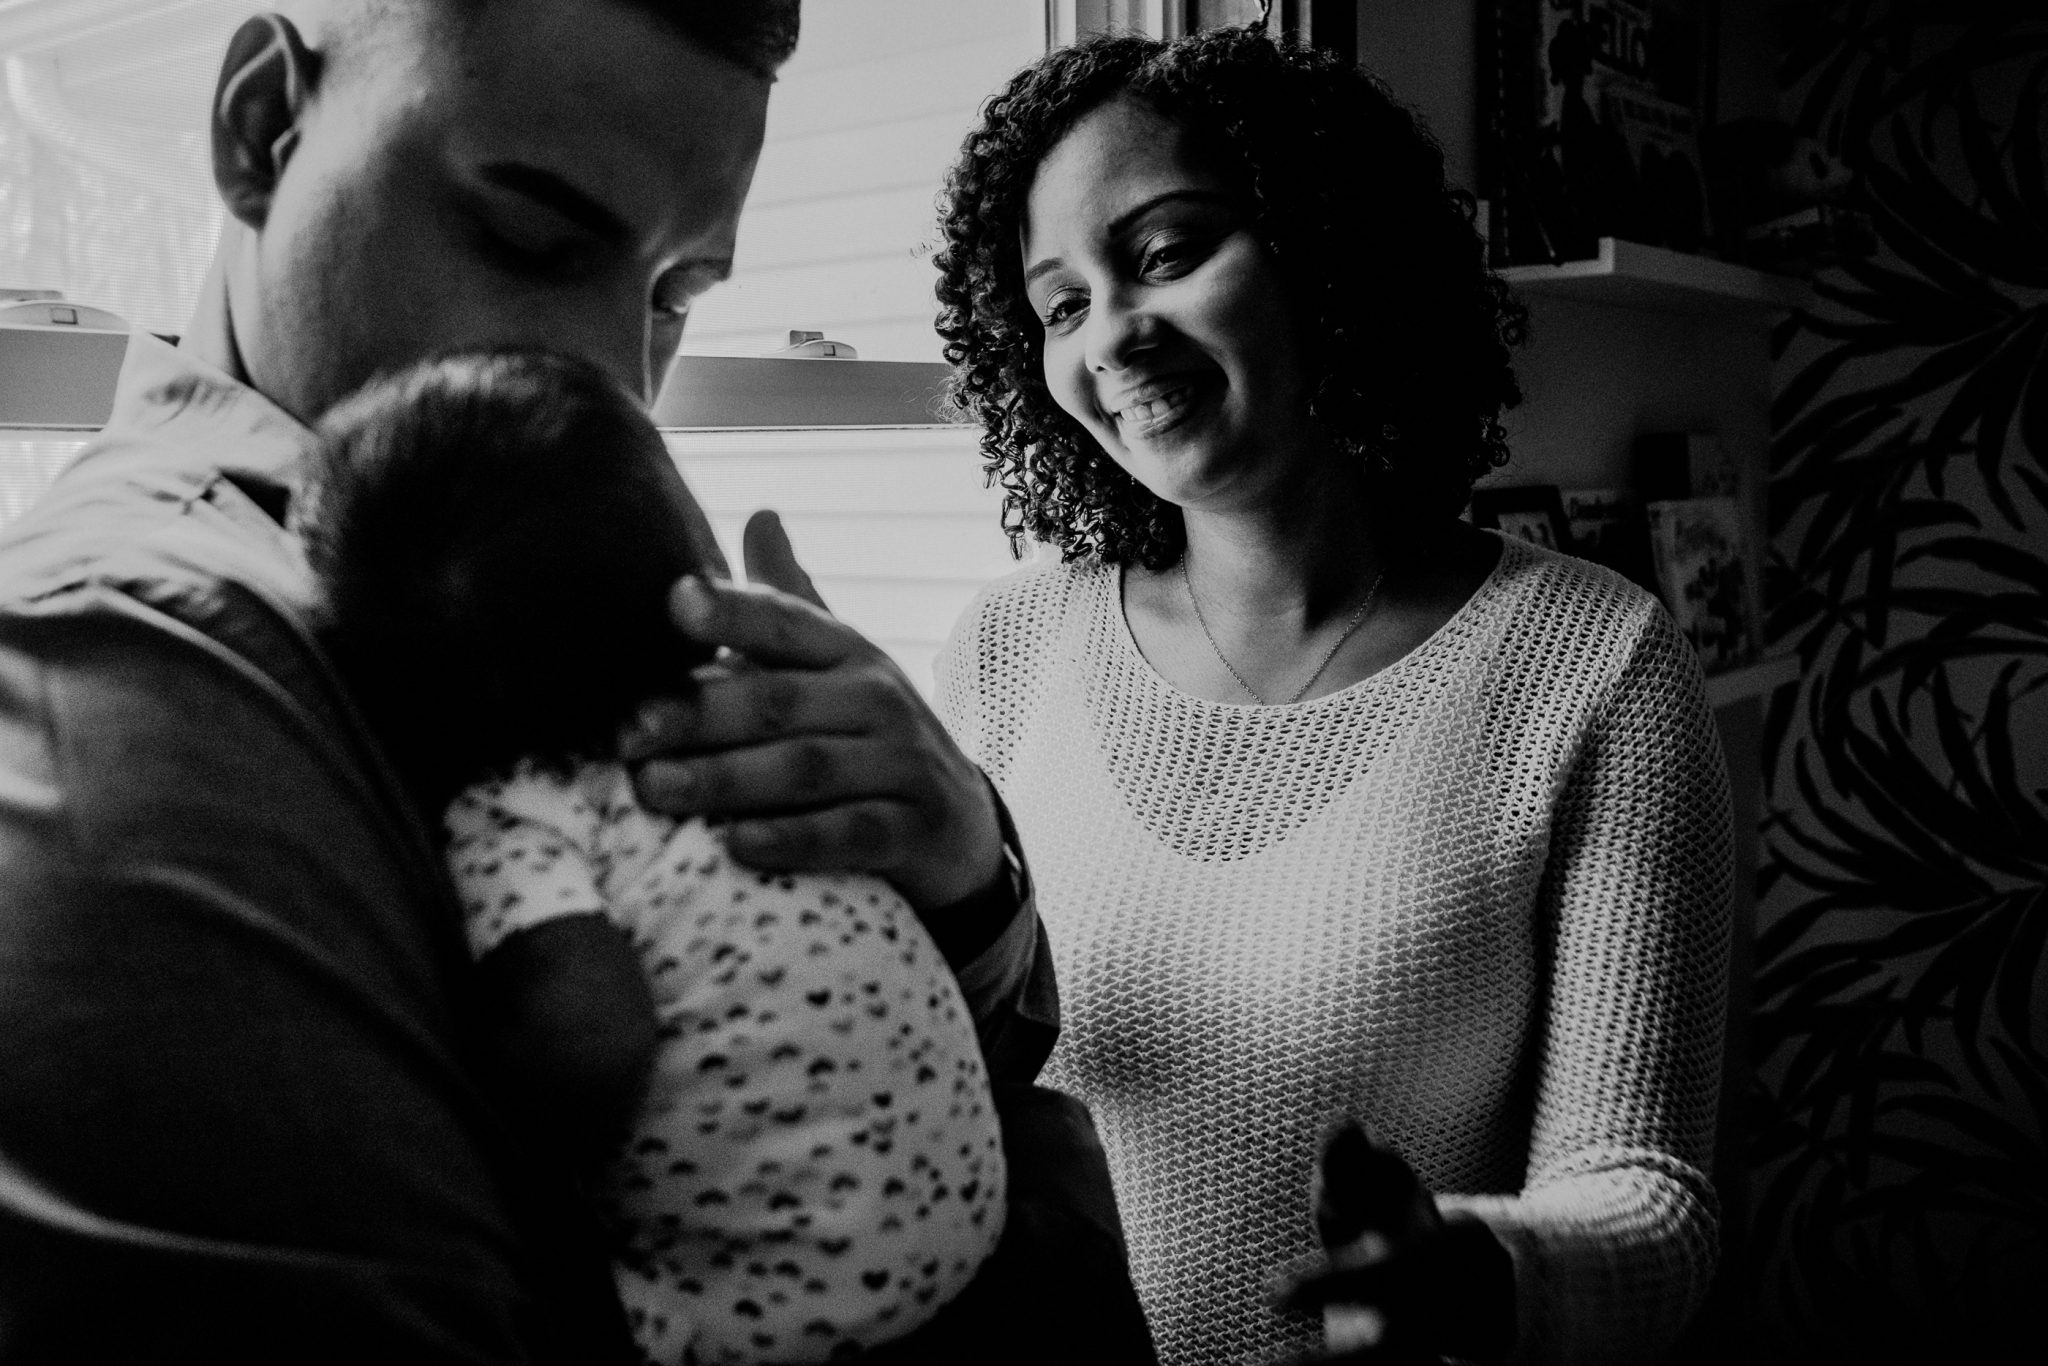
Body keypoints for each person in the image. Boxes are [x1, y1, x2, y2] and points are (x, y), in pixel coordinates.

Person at [0, 2, 1102, 1359]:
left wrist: (957, 870)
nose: (614, 381)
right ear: (260, 130)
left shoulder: (531, 543)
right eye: (529, 238)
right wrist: (1055, 1203)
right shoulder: (137, 686)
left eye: (676, 296)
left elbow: (876, 1055)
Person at [931, 26, 1734, 1366]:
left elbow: (1656, 1201)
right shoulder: (1008, 650)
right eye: (1059, 301)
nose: (1113, 336)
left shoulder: (1594, 665)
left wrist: (1474, 1268)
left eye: (1167, 252)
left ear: (1327, 246)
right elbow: (932, 1064)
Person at [295, 349, 1007, 1365]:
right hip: (967, 1220)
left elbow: (591, 1028)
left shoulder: (513, 812)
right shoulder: (740, 713)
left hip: (769, 1307)